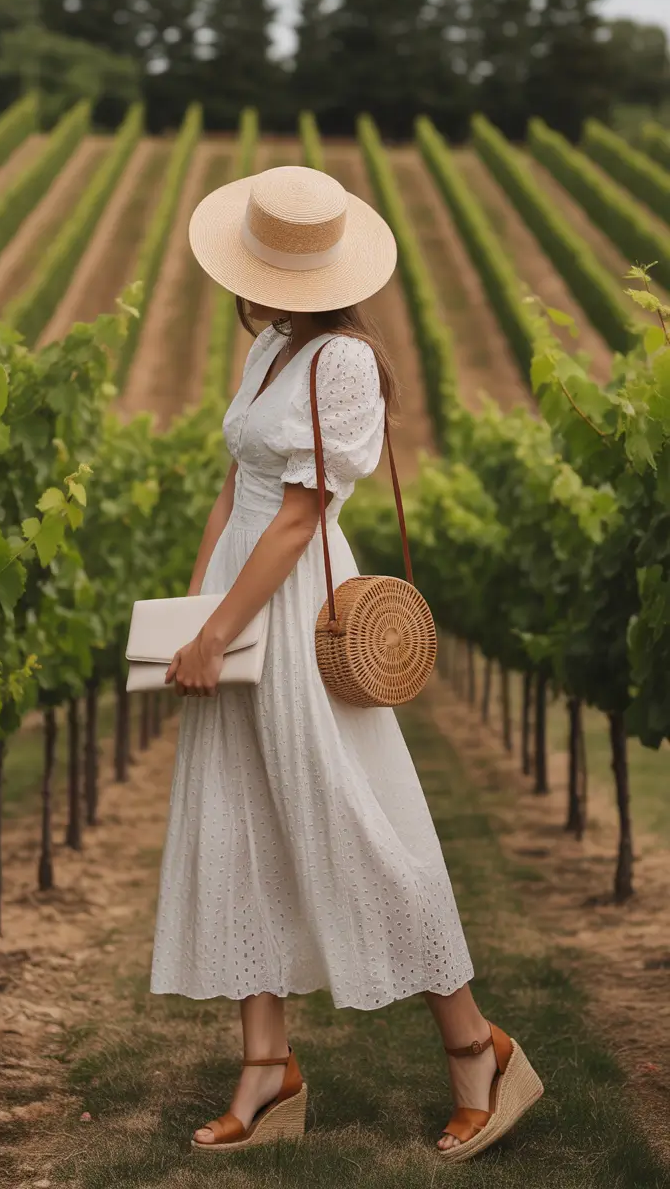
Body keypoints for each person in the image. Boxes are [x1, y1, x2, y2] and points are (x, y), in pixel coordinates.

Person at [150, 165, 543, 1162]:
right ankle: (266, 1067)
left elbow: (294, 520)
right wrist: (191, 614)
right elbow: (234, 487)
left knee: (359, 823)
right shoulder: (273, 348)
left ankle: (479, 1048)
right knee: (239, 819)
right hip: (239, 597)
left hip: (293, 602)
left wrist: (219, 628)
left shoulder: (344, 363)